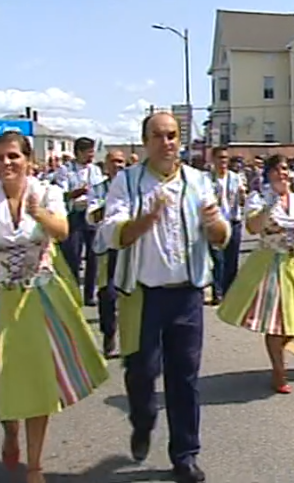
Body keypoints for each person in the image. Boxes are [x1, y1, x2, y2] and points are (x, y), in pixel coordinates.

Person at [0, 131, 108, 483]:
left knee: (38, 380)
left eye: (13, 156)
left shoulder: (47, 191)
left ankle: (35, 465)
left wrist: (38, 212)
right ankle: (10, 432)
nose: (6, 163)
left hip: (38, 296)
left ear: (27, 160)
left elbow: (64, 231)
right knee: (4, 377)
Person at [98, 112, 230, 483]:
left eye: (172, 135)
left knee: (184, 378)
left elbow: (222, 235)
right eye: (158, 136)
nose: (166, 142)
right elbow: (111, 233)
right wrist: (145, 220)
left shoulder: (199, 182)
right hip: (142, 296)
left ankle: (185, 454)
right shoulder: (128, 182)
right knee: (141, 372)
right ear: (145, 142)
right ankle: (142, 419)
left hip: (186, 295)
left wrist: (214, 223)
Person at [217, 154, 294, 394]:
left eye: (286, 169)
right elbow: (253, 227)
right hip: (269, 263)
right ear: (269, 174)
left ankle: (278, 360)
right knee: (276, 323)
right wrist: (270, 206)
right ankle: (279, 371)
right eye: (278, 169)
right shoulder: (260, 197)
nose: (283, 173)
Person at [86, 148, 128, 357]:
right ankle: (109, 333)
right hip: (106, 250)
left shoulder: (134, 187)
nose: (118, 165)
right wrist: (110, 204)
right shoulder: (98, 189)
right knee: (107, 295)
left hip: (130, 249)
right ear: (106, 165)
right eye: (114, 162)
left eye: (121, 162)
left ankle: (133, 341)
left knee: (132, 295)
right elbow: (90, 217)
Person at [56, 137, 106, 306]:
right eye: (88, 152)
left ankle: (90, 294)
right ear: (78, 152)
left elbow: (100, 192)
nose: (91, 156)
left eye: (92, 152)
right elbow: (61, 194)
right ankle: (73, 292)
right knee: (73, 256)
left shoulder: (96, 171)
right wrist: (75, 193)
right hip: (74, 215)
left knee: (93, 256)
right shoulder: (65, 170)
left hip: (91, 215)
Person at [207, 146, 246, 305]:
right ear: (213, 160)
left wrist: (243, 195)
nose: (223, 161)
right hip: (216, 222)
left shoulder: (235, 177)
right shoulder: (207, 178)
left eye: (225, 158)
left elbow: (243, 197)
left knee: (232, 259)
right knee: (217, 259)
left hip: (233, 220)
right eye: (220, 158)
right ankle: (218, 292)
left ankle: (230, 291)